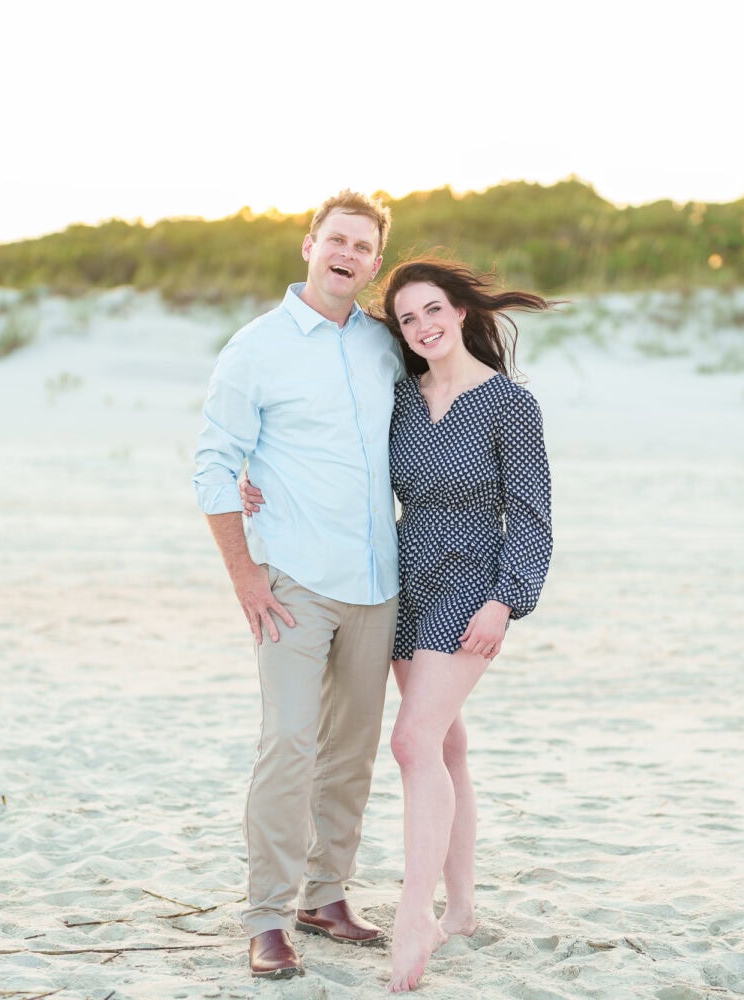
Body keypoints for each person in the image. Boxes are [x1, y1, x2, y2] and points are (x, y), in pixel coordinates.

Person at [243, 258, 554, 991]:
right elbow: (334, 455)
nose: (423, 327)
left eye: (433, 311)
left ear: (462, 312)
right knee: (445, 741)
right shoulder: (401, 399)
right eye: (408, 319)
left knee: (412, 741)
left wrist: (505, 599)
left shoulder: (511, 404)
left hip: (473, 585)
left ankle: (419, 914)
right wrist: (258, 477)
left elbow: (534, 518)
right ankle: (466, 908)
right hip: (403, 579)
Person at [192, 190, 404, 980]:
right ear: (308, 245)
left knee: (350, 750)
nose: (347, 254)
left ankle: (326, 895)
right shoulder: (256, 348)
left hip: (377, 581)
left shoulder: (386, 345)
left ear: (375, 263)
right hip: (292, 582)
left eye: (363, 246)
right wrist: (245, 575)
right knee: (288, 745)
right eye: (336, 240)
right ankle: (268, 916)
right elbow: (212, 465)